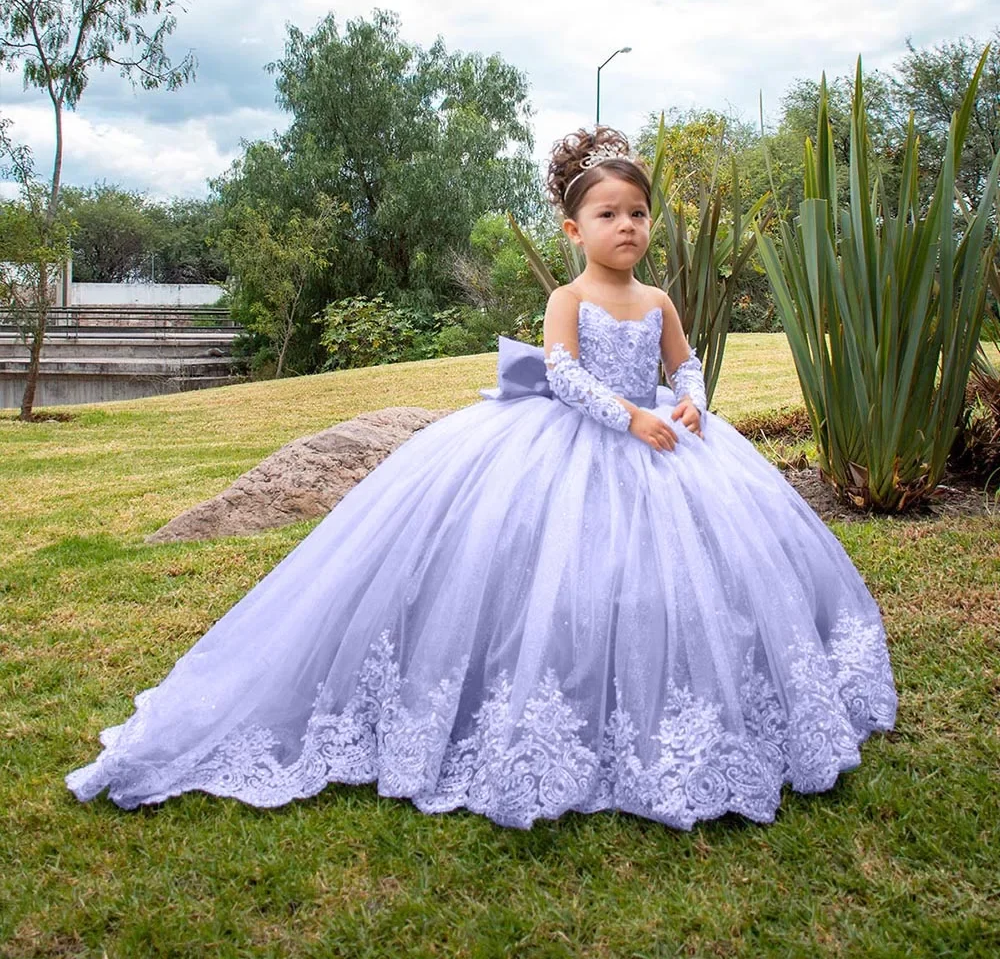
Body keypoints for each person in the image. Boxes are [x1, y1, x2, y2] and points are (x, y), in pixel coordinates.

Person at [66, 126, 897, 830]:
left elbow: (687, 368)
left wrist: (687, 405)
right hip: (572, 439)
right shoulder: (569, 298)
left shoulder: (660, 300)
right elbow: (564, 377)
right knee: (537, 572)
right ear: (574, 229)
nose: (628, 227)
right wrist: (628, 415)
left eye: (638, 213)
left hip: (666, 448)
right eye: (608, 214)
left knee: (676, 578)